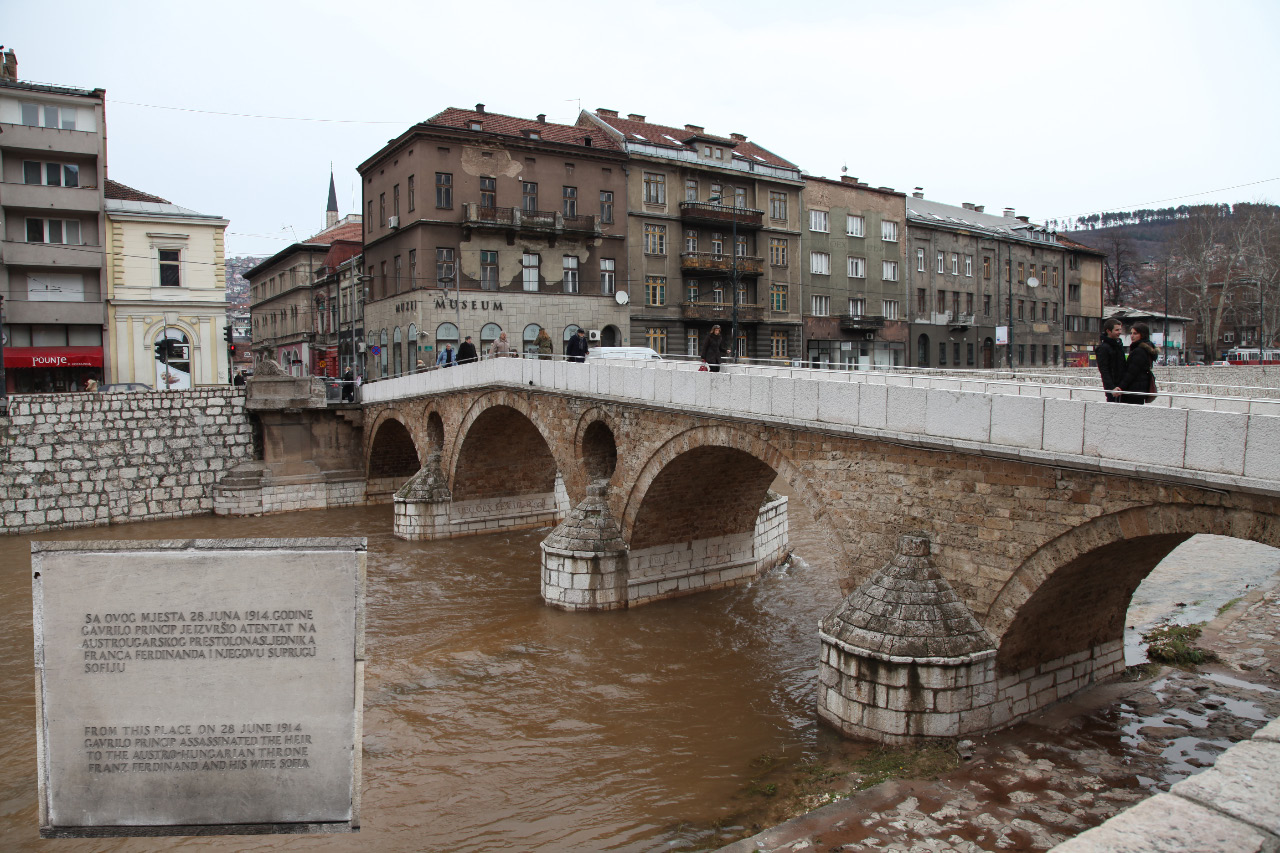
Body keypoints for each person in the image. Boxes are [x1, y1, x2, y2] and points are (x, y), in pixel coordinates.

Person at [1117, 322, 1159, 404]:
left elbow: (1131, 372)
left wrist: (1120, 387)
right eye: (1131, 333)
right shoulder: (1146, 348)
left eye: (1135, 333)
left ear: (1142, 335)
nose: (1132, 336)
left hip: (1134, 389)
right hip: (1140, 388)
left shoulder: (1139, 351)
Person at [1095, 318, 1125, 402]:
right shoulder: (1103, 348)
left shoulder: (1118, 345)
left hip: (1121, 386)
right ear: (1108, 331)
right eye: (1117, 330)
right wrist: (1111, 387)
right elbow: (1104, 370)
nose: (1119, 332)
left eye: (1120, 329)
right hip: (1113, 388)